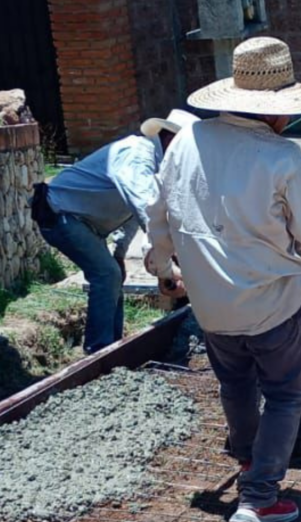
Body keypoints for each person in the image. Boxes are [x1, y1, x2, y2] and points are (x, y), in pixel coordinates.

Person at [144, 37, 301, 522]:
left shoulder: (186, 140)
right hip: (270, 301)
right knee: (285, 394)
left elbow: (159, 211)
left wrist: (163, 267)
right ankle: (259, 498)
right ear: (276, 110)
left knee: (235, 382)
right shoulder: (282, 157)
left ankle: (249, 461)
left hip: (210, 302)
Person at [30, 109, 198, 354]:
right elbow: (146, 211)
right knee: (107, 275)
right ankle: (99, 350)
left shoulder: (155, 166)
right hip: (60, 213)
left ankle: (113, 348)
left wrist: (119, 253)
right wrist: (165, 269)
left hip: (82, 221)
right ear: (172, 140)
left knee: (113, 273)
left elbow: (130, 211)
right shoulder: (137, 155)